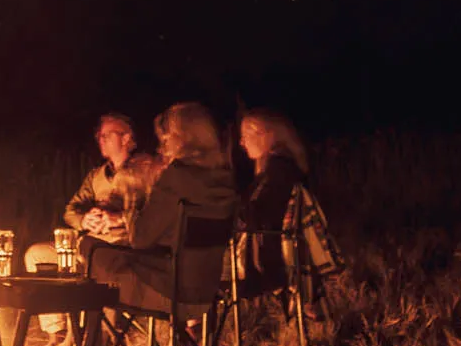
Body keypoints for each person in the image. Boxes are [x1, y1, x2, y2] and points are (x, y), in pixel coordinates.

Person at [24, 111, 161, 346]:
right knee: (37, 254)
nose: (101, 139)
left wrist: (121, 218)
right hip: (89, 244)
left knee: (97, 263)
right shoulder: (97, 176)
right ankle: (60, 332)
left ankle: (92, 337)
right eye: (99, 135)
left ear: (127, 138)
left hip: (126, 249)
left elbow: (161, 213)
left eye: (107, 135)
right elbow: (71, 210)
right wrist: (85, 219)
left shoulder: (148, 170)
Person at [86, 101, 237, 319]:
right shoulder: (224, 178)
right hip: (207, 292)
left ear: (180, 138)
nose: (161, 147)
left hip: (170, 291)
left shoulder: (177, 176)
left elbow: (140, 239)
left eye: (165, 139)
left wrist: (131, 203)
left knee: (89, 248)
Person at [236, 108, 311, 295]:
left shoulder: (278, 171)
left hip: (267, 265)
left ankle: (192, 323)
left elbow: (259, 211)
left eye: (246, 135)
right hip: (271, 260)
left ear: (266, 135)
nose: (241, 142)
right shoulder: (282, 167)